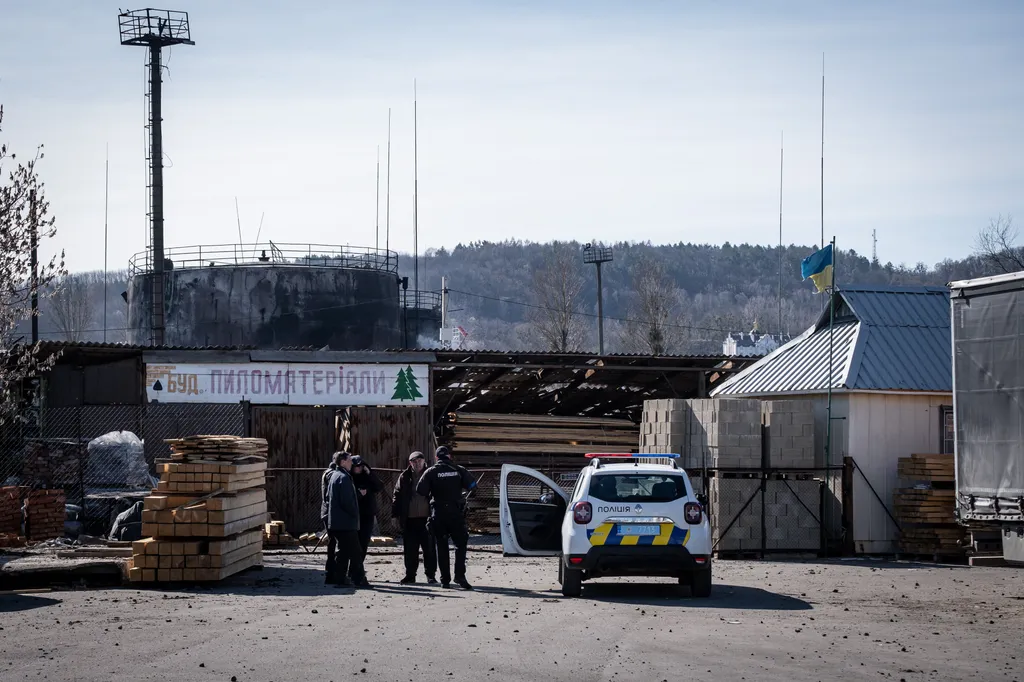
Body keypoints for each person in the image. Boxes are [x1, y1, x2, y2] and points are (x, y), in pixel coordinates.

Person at [416, 445, 477, 590]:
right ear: (449, 456)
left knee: (441, 547)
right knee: (460, 545)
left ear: (437, 458)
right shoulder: (458, 470)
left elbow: (420, 490)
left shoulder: (431, 472)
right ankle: (460, 576)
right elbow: (473, 486)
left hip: (438, 514)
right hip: (456, 513)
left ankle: (445, 580)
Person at [323, 451, 369, 588]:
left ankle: (340, 578)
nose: (351, 463)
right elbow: (347, 501)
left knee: (343, 552)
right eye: (349, 460)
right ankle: (358, 579)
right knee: (355, 552)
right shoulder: (343, 477)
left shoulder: (336, 476)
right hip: (345, 523)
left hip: (338, 522)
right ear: (343, 462)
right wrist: (355, 514)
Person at [391, 451, 438, 585]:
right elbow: (397, 496)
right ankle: (410, 575)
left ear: (424, 461)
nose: (417, 464)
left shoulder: (431, 474)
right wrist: (395, 515)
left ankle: (431, 576)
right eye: (414, 461)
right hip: (410, 519)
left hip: (427, 519)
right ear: (410, 463)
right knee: (410, 550)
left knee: (429, 549)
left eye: (419, 461)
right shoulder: (404, 476)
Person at [349, 455, 384, 577]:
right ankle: (353, 569)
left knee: (363, 542)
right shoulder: (349, 478)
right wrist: (359, 494)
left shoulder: (367, 476)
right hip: (354, 514)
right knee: (354, 543)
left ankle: (357, 569)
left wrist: (370, 474)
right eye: (356, 467)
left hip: (367, 513)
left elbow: (379, 486)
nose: (358, 469)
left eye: (360, 466)